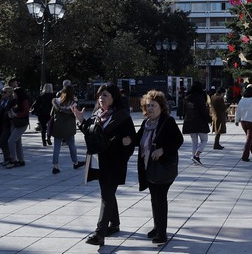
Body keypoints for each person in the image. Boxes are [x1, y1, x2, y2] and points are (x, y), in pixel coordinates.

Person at [72, 83, 136, 247]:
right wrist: (80, 120)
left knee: (106, 196)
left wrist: (124, 144)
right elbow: (91, 133)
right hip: (99, 161)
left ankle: (100, 233)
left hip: (115, 162)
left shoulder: (122, 116)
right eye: (100, 95)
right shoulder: (97, 114)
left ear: (114, 98)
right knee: (107, 193)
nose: (101, 98)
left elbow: (132, 139)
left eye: (106, 95)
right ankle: (114, 224)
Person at [132, 90, 183, 246]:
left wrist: (163, 150)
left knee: (160, 199)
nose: (150, 109)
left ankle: (162, 233)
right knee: (154, 199)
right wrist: (128, 139)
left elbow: (178, 140)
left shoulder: (167, 122)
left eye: (153, 105)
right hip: (149, 167)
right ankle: (157, 227)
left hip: (163, 167)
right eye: (148, 106)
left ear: (161, 107)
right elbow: (138, 140)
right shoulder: (146, 123)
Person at [50, 85, 85, 174]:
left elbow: (51, 114)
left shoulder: (56, 101)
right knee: (71, 145)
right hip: (69, 127)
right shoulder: (73, 103)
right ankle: (75, 162)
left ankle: (55, 166)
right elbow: (77, 114)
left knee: (56, 146)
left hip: (58, 126)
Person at [182, 81, 211, 165]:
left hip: (189, 121)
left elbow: (184, 111)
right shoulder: (200, 97)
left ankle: (195, 158)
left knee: (194, 141)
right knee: (204, 140)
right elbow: (203, 111)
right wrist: (209, 119)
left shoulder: (186, 98)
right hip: (200, 121)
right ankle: (196, 155)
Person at [5, 87, 31, 168]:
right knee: (17, 142)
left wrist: (16, 114)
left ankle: (14, 159)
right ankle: (21, 160)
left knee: (11, 141)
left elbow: (26, 112)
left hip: (22, 123)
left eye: (14, 93)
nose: (13, 95)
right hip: (15, 122)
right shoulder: (15, 100)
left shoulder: (24, 101)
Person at [0, 86, 15, 165]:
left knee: (3, 141)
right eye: (2, 92)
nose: (2, 94)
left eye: (4, 92)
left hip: (8, 124)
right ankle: (6, 159)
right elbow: (0, 112)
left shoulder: (12, 101)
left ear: (9, 93)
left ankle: (9, 159)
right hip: (0, 124)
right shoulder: (2, 101)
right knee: (1, 142)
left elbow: (13, 112)